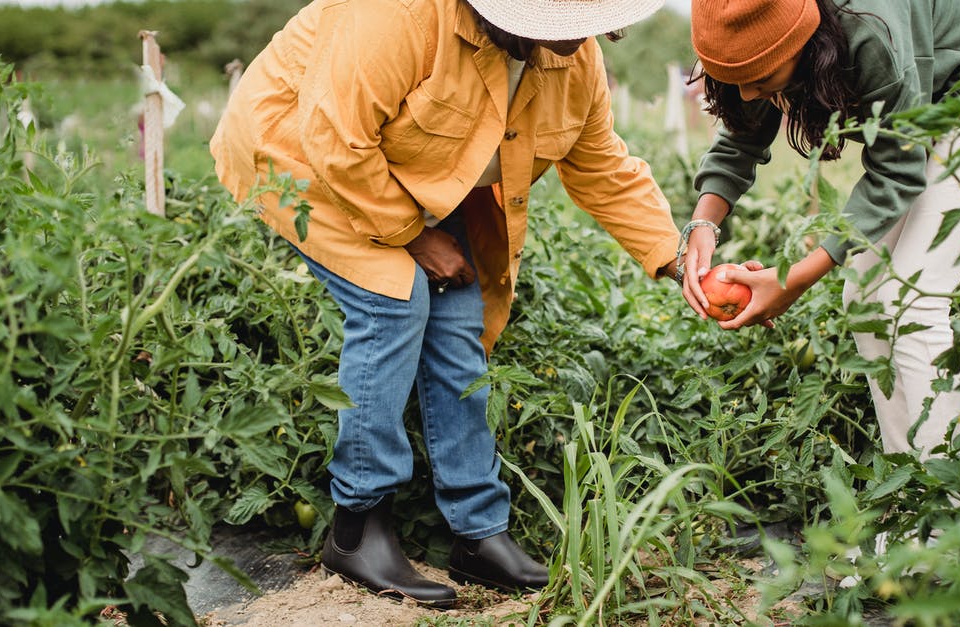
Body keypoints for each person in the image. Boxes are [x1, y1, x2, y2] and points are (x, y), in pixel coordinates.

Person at [209, 0, 681, 609]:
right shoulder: (397, 16)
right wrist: (417, 236)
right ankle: (357, 526)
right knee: (394, 301)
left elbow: (602, 168)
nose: (575, 37)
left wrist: (674, 258)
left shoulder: (574, 57)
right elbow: (336, 140)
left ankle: (478, 533)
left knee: (459, 316)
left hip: (410, 172)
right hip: (304, 157)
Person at [678, 0, 960, 456]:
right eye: (735, 80)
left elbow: (897, 169)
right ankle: (913, 495)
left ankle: (953, 513)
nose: (746, 95)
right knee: (863, 299)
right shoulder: (769, 29)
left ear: (803, 43)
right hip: (924, 114)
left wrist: (792, 278)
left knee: (910, 302)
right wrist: (704, 224)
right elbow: (743, 133)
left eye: (760, 79)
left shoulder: (868, 30)